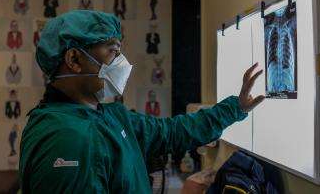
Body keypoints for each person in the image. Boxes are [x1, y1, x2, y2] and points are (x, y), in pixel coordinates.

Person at [19, 10, 265, 193]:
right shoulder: (67, 139)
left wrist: (235, 107)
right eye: (112, 51)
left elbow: (171, 131)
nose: (120, 62)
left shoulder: (110, 116)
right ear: (74, 59)